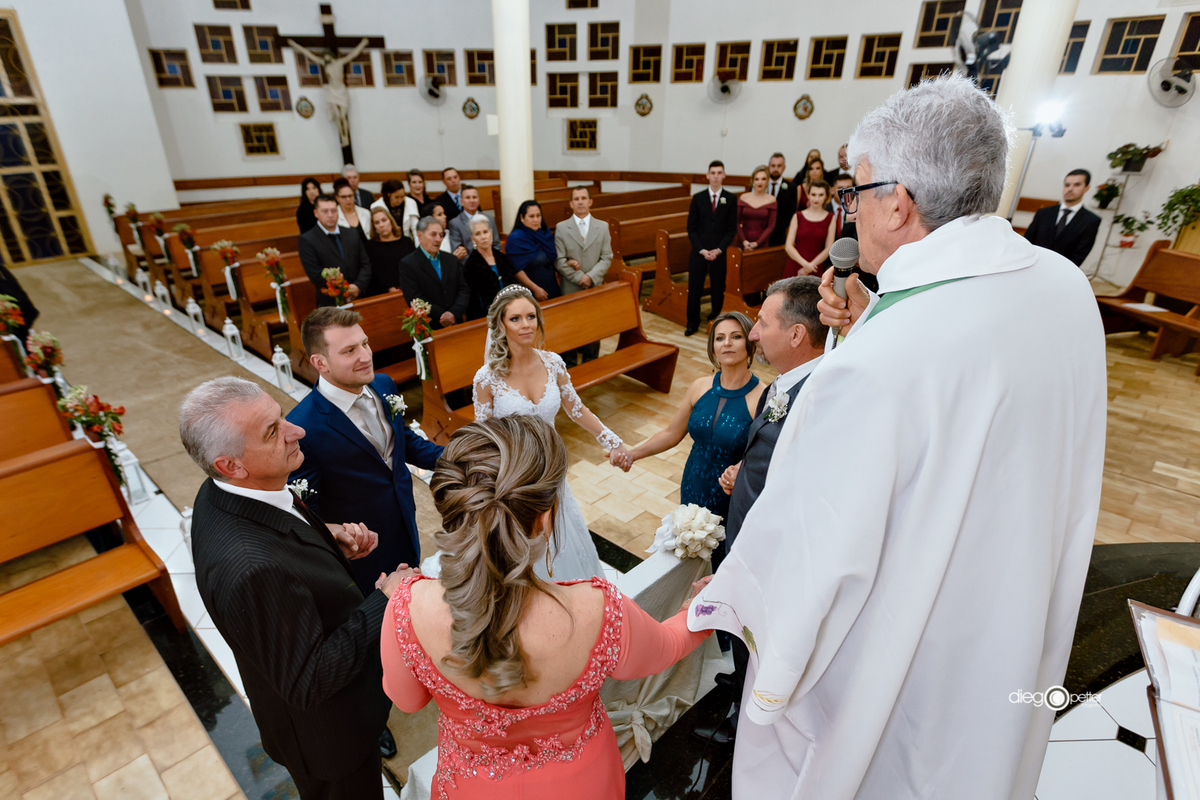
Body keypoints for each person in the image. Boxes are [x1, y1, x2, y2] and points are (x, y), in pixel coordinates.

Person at [689, 74, 1107, 800]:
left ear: (898, 202)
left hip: (911, 661)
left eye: (855, 191)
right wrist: (873, 318)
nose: (850, 211)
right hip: (1014, 617)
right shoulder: (1066, 286)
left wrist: (728, 598)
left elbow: (814, 552)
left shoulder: (875, 365)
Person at [381, 414, 713, 800]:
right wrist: (700, 608)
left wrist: (400, 595)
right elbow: (668, 647)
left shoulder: (408, 606)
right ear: (545, 516)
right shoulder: (597, 609)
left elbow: (407, 699)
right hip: (583, 785)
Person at [183, 376, 416, 800]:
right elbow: (308, 679)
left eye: (281, 417)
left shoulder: (229, 491)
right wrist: (386, 597)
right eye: (273, 431)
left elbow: (275, 529)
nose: (298, 430)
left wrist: (325, 537)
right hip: (328, 738)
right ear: (229, 464)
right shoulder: (251, 568)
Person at [690, 278, 826, 747]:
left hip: (771, 547)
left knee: (757, 629)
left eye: (762, 324)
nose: (752, 335)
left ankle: (743, 724)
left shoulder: (817, 395)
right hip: (744, 524)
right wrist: (743, 468)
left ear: (794, 335)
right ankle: (739, 679)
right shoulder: (782, 387)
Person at [472, 285, 632, 581]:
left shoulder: (553, 363)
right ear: (501, 324)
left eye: (531, 316)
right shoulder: (487, 378)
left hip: (553, 468)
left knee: (563, 538)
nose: (526, 325)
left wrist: (614, 441)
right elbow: (484, 437)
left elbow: (577, 409)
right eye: (516, 319)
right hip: (516, 477)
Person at [286, 306, 444, 598]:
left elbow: (403, 442)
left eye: (365, 343)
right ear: (320, 362)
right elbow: (306, 512)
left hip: (404, 522)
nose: (365, 356)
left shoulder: (383, 385)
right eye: (349, 351)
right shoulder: (302, 428)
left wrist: (460, 456)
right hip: (361, 552)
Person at [623, 311, 764, 524]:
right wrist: (633, 454)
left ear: (750, 343)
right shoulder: (700, 386)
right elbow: (672, 433)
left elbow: (763, 457)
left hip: (731, 494)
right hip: (693, 483)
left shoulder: (761, 397)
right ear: (713, 347)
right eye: (719, 338)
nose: (727, 343)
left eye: (736, 336)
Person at [554, 185, 613, 363]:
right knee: (570, 327)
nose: (580, 202)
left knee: (593, 326)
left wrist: (591, 276)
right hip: (571, 286)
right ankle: (570, 365)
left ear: (590, 202)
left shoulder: (602, 227)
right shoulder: (562, 228)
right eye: (576, 199)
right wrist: (579, 277)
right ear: (571, 204)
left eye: (583, 198)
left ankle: (591, 361)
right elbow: (559, 259)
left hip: (594, 285)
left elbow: (606, 257)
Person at [685, 161, 738, 336]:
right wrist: (701, 249)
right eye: (712, 173)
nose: (716, 176)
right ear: (707, 175)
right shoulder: (698, 198)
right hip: (699, 252)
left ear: (724, 175)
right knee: (695, 288)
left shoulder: (730, 199)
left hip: (719, 253)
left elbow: (731, 229)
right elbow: (691, 227)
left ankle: (716, 320)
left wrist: (719, 249)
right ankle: (692, 322)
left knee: (717, 287)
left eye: (719, 173)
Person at [298, 194, 371, 307]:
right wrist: (343, 289)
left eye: (333, 210)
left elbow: (365, 263)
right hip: (331, 302)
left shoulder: (351, 233)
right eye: (325, 211)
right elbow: (315, 274)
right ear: (316, 213)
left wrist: (358, 286)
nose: (330, 215)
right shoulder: (308, 240)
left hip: (359, 296)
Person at [396, 216, 469, 329]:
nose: (438, 239)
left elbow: (463, 289)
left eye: (441, 235)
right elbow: (415, 298)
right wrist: (442, 315)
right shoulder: (408, 264)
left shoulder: (451, 259)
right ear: (420, 236)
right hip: (429, 325)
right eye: (433, 234)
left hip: (456, 321)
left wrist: (453, 313)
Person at [1023, 169, 1102, 268]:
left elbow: (1080, 254)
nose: (1070, 189)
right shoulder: (1043, 213)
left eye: (1077, 185)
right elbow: (1027, 241)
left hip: (1062, 270)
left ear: (1086, 188)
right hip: (1032, 265)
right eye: (1067, 185)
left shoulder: (1091, 220)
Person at [504, 200, 560, 301]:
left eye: (538, 215)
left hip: (552, 284)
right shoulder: (516, 238)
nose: (536, 220)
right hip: (531, 290)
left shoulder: (545, 233)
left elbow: (554, 257)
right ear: (522, 218)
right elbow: (517, 270)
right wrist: (535, 289)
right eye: (531, 216)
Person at [462, 216, 516, 319]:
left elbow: (514, 285)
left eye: (485, 232)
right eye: (478, 234)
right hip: (488, 317)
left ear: (491, 234)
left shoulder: (503, 258)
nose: (483, 237)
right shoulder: (470, 265)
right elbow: (472, 301)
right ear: (472, 238)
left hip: (512, 311)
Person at [783, 180, 835, 278]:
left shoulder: (831, 217)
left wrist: (810, 266)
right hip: (795, 266)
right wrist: (806, 265)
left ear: (826, 197)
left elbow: (829, 248)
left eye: (820, 195)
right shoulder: (797, 216)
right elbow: (788, 246)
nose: (816, 198)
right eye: (813, 194)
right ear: (808, 195)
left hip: (815, 267)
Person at [365, 207, 415, 295]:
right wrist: (391, 288)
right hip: (383, 293)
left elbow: (414, 266)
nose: (381, 225)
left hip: (409, 287)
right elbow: (376, 272)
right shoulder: (371, 246)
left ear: (390, 221)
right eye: (377, 222)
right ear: (374, 227)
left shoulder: (406, 242)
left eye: (384, 220)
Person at [446, 185, 498, 260]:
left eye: (474, 197)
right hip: (469, 266)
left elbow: (496, 244)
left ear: (479, 200)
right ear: (461, 202)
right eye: (468, 198)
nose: (472, 200)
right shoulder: (455, 223)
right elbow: (459, 251)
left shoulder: (489, 219)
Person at [736, 166, 778, 252]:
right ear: (753, 181)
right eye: (757, 179)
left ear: (767, 181)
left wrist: (757, 242)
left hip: (761, 243)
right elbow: (736, 222)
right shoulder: (743, 197)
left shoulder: (772, 200)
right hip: (743, 242)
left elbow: (771, 225)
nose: (760, 182)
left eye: (763, 179)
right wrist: (744, 241)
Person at [765, 153, 798, 248]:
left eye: (779, 166)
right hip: (758, 232)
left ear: (784, 167)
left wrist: (773, 231)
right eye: (773, 166)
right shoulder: (761, 184)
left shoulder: (791, 187)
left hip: (779, 235)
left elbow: (790, 213)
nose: (775, 169)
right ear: (768, 167)